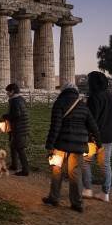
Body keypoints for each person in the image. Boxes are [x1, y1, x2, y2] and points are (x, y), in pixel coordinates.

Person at [43, 83, 101, 213]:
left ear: (63, 91)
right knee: (75, 174)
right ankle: (77, 203)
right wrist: (99, 143)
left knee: (56, 171)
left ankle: (54, 198)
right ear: (75, 92)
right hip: (78, 146)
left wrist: (49, 145)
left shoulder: (59, 103)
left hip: (60, 145)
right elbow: (93, 126)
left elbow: (55, 126)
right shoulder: (82, 106)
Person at [82, 71, 112, 203]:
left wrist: (87, 133)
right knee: (105, 165)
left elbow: (91, 119)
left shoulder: (94, 97)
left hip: (93, 137)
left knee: (86, 162)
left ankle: (87, 189)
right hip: (108, 136)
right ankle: (105, 192)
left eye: (88, 80)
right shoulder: (111, 97)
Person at [1, 83, 30, 176]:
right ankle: (14, 165)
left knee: (20, 148)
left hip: (19, 128)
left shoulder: (15, 101)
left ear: (12, 91)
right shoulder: (19, 99)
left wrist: (5, 116)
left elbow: (16, 115)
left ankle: (25, 170)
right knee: (13, 146)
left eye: (7, 91)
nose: (6, 93)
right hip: (19, 126)